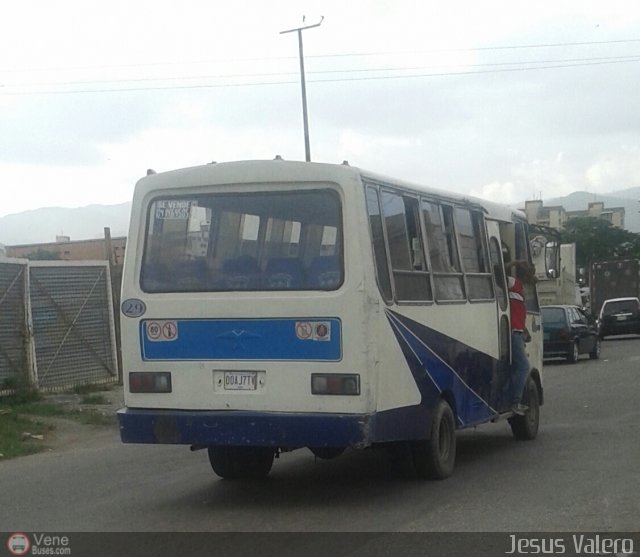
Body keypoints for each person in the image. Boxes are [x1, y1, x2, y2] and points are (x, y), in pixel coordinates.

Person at [506, 260, 535, 415]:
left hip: (518, 332)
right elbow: (498, 272)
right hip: (513, 333)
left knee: (517, 367)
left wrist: (525, 330)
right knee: (523, 366)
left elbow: (517, 313)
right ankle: (515, 401)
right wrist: (513, 263)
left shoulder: (520, 288)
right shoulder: (513, 283)